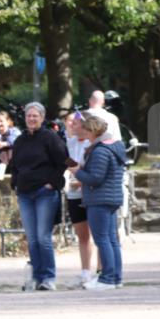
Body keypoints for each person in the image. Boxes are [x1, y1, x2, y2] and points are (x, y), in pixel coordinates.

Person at [9, 102, 68, 291]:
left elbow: (65, 160)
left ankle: (48, 277)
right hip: (25, 193)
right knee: (32, 238)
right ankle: (35, 276)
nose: (32, 119)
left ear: (42, 118)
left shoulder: (50, 138)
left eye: (35, 116)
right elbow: (15, 165)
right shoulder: (20, 140)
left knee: (43, 238)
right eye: (29, 116)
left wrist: (53, 182)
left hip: (45, 192)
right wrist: (15, 183)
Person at [70, 114, 127, 290]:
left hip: (100, 199)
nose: (83, 133)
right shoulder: (112, 147)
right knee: (111, 239)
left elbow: (95, 178)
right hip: (110, 198)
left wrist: (77, 172)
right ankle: (115, 277)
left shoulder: (101, 150)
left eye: (85, 129)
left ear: (92, 131)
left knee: (102, 239)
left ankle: (108, 279)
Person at [63, 111, 95, 288]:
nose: (71, 126)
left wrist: (82, 175)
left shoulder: (93, 144)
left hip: (90, 192)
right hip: (74, 192)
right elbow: (68, 161)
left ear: (84, 126)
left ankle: (101, 271)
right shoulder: (70, 142)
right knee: (82, 234)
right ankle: (85, 272)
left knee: (98, 234)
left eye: (74, 123)